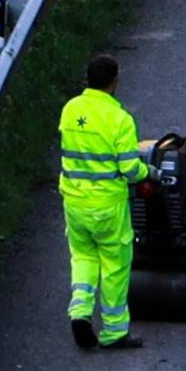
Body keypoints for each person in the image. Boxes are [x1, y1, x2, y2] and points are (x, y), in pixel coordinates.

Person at [59, 52, 151, 350]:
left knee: (83, 258)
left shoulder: (70, 110)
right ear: (114, 81)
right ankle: (114, 332)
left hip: (74, 202)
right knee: (114, 266)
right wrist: (150, 172)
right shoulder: (119, 119)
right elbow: (130, 169)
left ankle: (80, 311)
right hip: (108, 206)